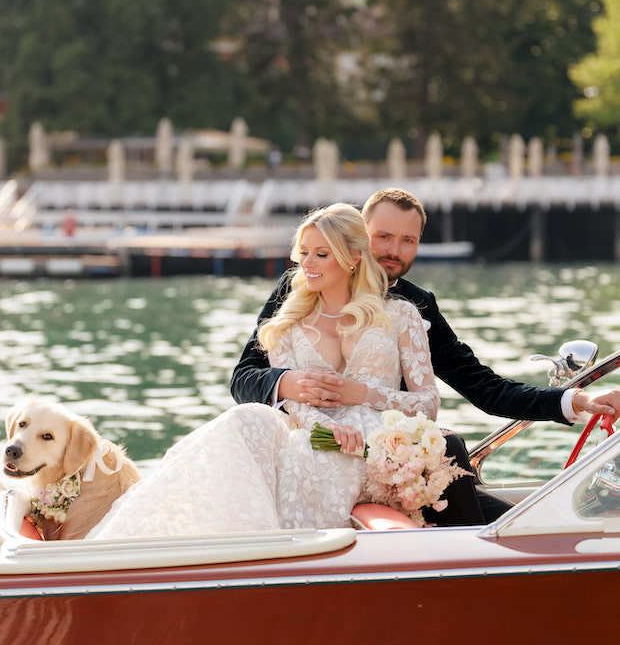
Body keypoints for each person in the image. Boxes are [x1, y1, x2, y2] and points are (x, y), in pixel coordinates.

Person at [230, 188, 620, 522]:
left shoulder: (415, 305)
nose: (393, 251)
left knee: (522, 518)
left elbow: (483, 386)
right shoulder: (300, 287)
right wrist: (288, 383)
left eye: (408, 240)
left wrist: (577, 399)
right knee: (457, 463)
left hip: (393, 457)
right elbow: (244, 376)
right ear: (356, 240)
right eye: (382, 237)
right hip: (321, 447)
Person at [88, 203, 444, 539]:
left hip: (378, 446)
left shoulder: (401, 316)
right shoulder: (287, 322)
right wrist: (325, 426)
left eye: (321, 254)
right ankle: (161, 535)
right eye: (303, 252)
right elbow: (284, 401)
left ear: (353, 258)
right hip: (315, 434)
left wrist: (361, 395)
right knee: (246, 421)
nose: (308, 264)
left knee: (309, 455)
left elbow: (427, 404)